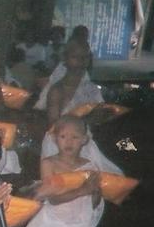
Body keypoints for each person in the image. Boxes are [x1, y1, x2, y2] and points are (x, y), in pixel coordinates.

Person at [16, 115, 135, 227]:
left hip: (79, 224)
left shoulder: (89, 165)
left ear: (84, 140)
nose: (69, 142)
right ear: (54, 138)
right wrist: (82, 190)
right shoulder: (49, 163)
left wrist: (95, 193)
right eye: (63, 137)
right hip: (55, 223)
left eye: (75, 137)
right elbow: (53, 199)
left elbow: (94, 202)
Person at [38, 38, 122, 175]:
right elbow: (53, 125)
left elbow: (101, 114)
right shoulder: (57, 90)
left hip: (83, 142)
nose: (80, 62)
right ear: (65, 59)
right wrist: (86, 120)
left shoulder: (91, 88)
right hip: (60, 145)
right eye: (75, 57)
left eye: (84, 57)